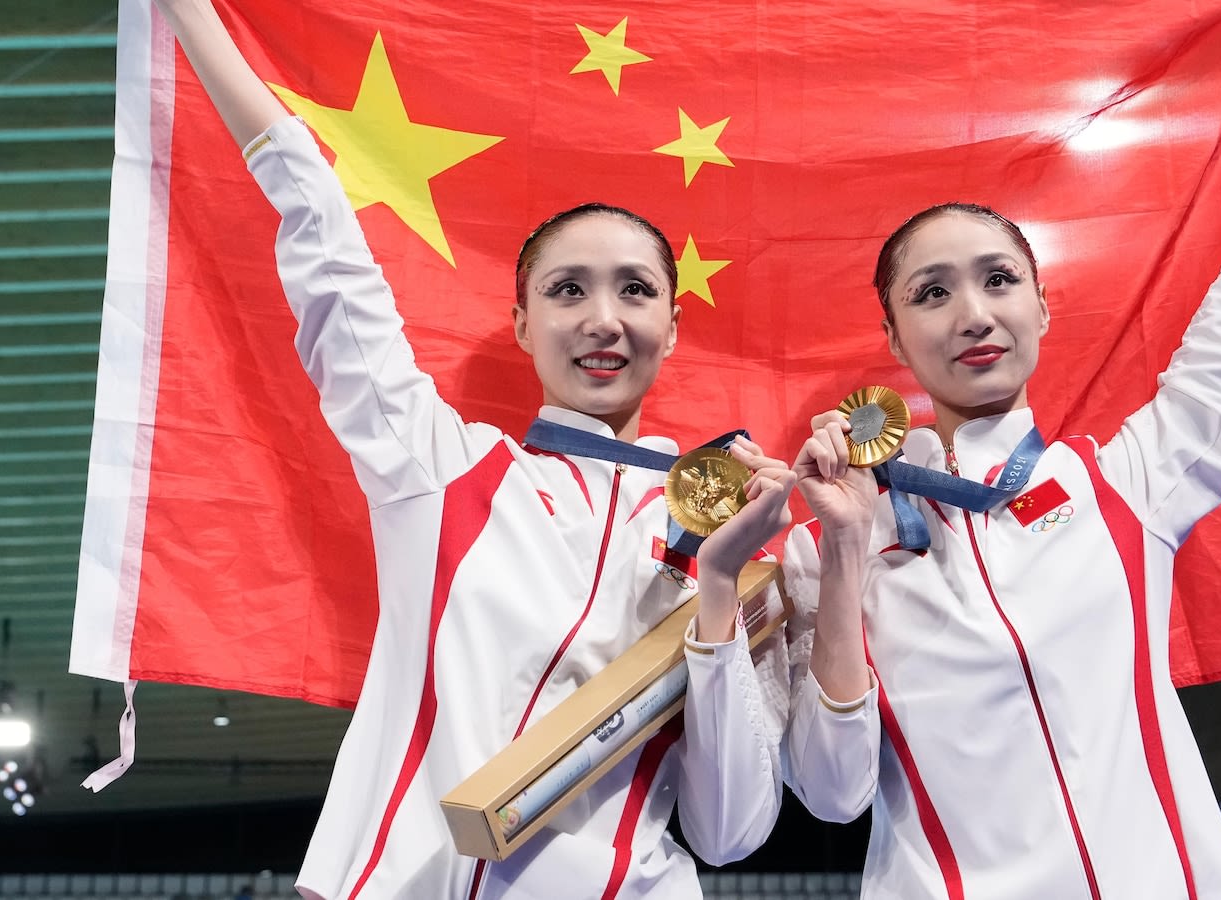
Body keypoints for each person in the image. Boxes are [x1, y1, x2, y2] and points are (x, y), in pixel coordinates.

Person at [150, 2, 793, 897]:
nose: (603, 319)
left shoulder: (735, 529)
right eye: (568, 290)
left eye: (636, 290)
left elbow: (729, 832)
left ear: (672, 327)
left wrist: (720, 588)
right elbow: (327, 248)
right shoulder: (442, 468)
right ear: (523, 324)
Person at [780, 50, 1221, 899]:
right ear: (895, 342)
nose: (974, 314)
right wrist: (841, 552)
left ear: (1041, 308)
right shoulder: (830, 543)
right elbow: (833, 794)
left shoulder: (1125, 484)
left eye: (999, 280)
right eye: (932, 294)